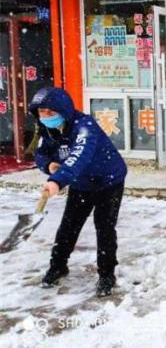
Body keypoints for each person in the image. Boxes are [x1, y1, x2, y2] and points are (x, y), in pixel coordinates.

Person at [29, 87, 128, 297]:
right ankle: (57, 267)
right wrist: (49, 166)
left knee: (104, 227)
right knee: (68, 226)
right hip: (81, 184)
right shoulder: (47, 131)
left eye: (50, 112)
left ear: (62, 110)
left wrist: (58, 180)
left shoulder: (85, 127)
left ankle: (106, 275)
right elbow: (40, 153)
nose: (45, 117)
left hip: (108, 182)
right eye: (41, 112)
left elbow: (79, 156)